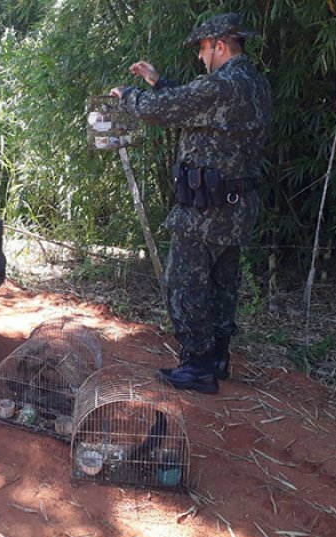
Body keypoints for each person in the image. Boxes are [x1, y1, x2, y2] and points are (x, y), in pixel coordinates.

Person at [110, 13, 272, 394]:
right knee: (221, 285)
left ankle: (197, 366)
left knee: (185, 284)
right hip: (234, 206)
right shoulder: (253, 83)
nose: (201, 56)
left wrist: (129, 96)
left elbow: (169, 108)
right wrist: (158, 81)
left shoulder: (225, 85)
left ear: (220, 44)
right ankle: (217, 357)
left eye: (202, 48)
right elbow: (195, 104)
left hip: (206, 212)